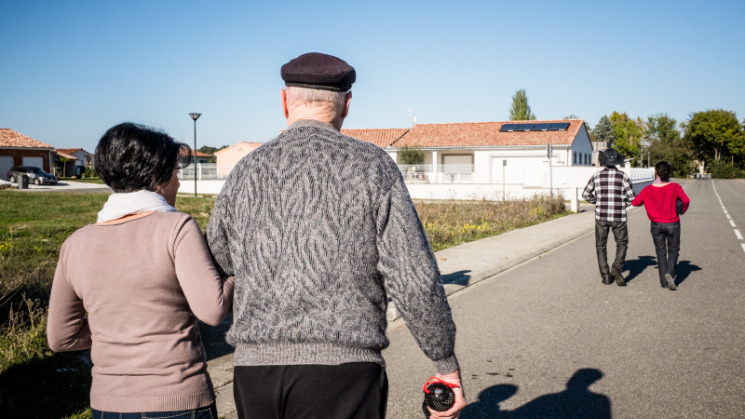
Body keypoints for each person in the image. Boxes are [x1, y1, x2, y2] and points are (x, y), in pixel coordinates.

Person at [206, 52, 466, 419]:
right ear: (346, 104)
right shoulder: (373, 167)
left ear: (284, 102)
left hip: (255, 375)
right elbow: (413, 276)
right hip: (345, 373)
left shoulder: (245, 171)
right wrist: (445, 364)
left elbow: (217, 263)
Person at [47, 122, 234, 419]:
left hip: (108, 405)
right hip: (179, 400)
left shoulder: (75, 243)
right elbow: (212, 311)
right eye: (176, 173)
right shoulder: (176, 228)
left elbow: (61, 338)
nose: (179, 183)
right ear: (156, 178)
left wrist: (118, 329)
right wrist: (236, 274)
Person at [632, 161, 690, 290]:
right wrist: (681, 210)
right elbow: (686, 200)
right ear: (669, 173)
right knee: (674, 250)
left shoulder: (648, 189)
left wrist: (646, 202)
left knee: (661, 252)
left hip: (656, 224)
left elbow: (635, 203)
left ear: (656, 173)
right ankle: (670, 272)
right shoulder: (675, 187)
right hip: (673, 223)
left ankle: (663, 282)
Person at [582, 148, 635, 286]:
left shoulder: (596, 176)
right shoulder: (623, 176)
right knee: (622, 243)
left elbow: (585, 194)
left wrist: (597, 202)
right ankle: (616, 267)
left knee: (601, 245)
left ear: (604, 161)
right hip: (619, 217)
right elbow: (632, 198)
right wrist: (623, 203)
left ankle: (605, 275)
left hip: (601, 217)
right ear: (616, 162)